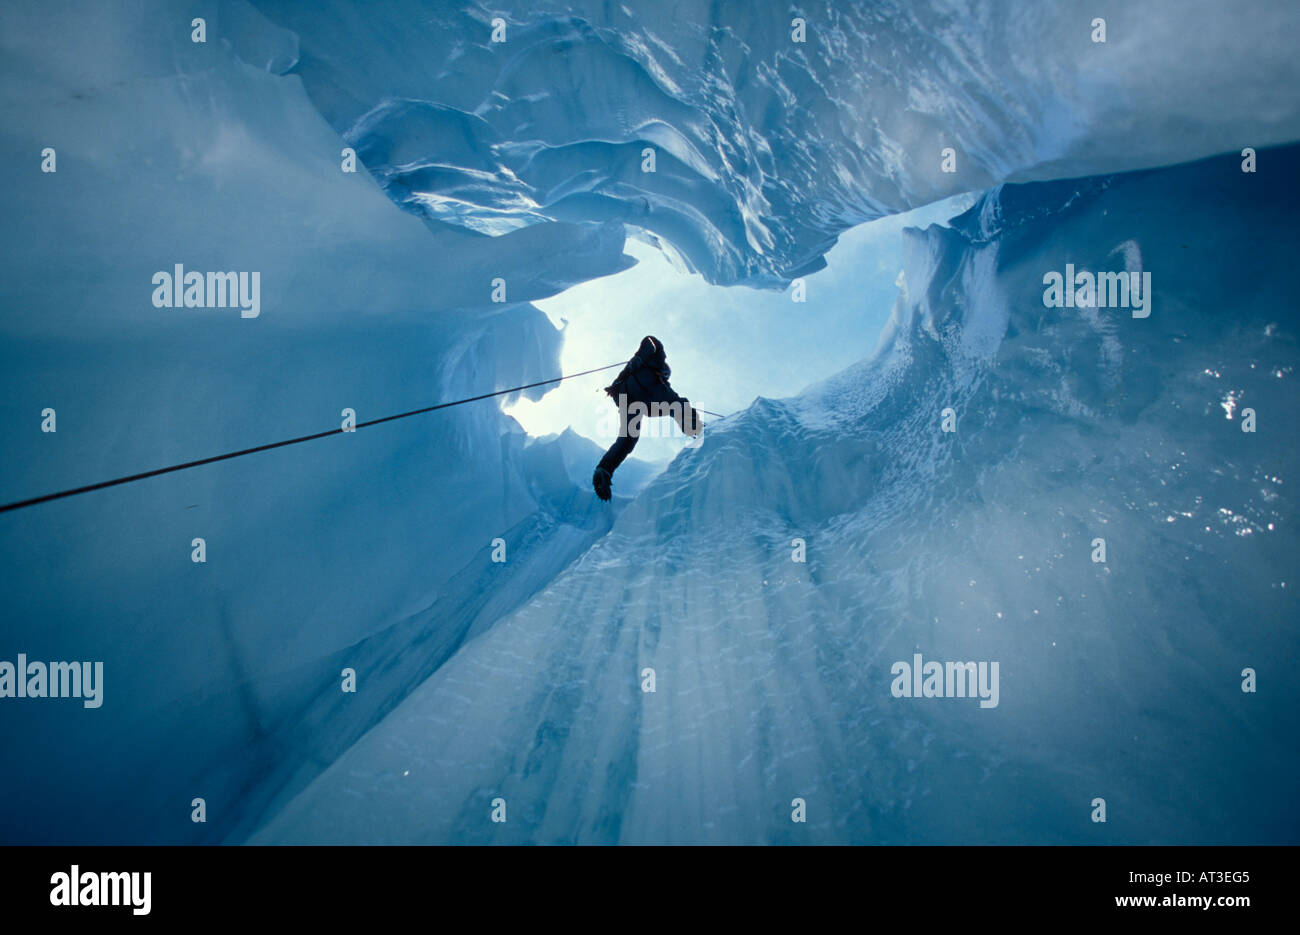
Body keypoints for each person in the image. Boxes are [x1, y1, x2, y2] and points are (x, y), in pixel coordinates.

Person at [592, 336, 702, 501]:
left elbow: (651, 342)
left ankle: (604, 469)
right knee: (678, 404)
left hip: (627, 396)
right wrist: (638, 359)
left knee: (628, 438)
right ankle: (697, 430)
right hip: (638, 391)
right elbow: (651, 341)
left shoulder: (649, 375)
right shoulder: (656, 367)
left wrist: (633, 364)